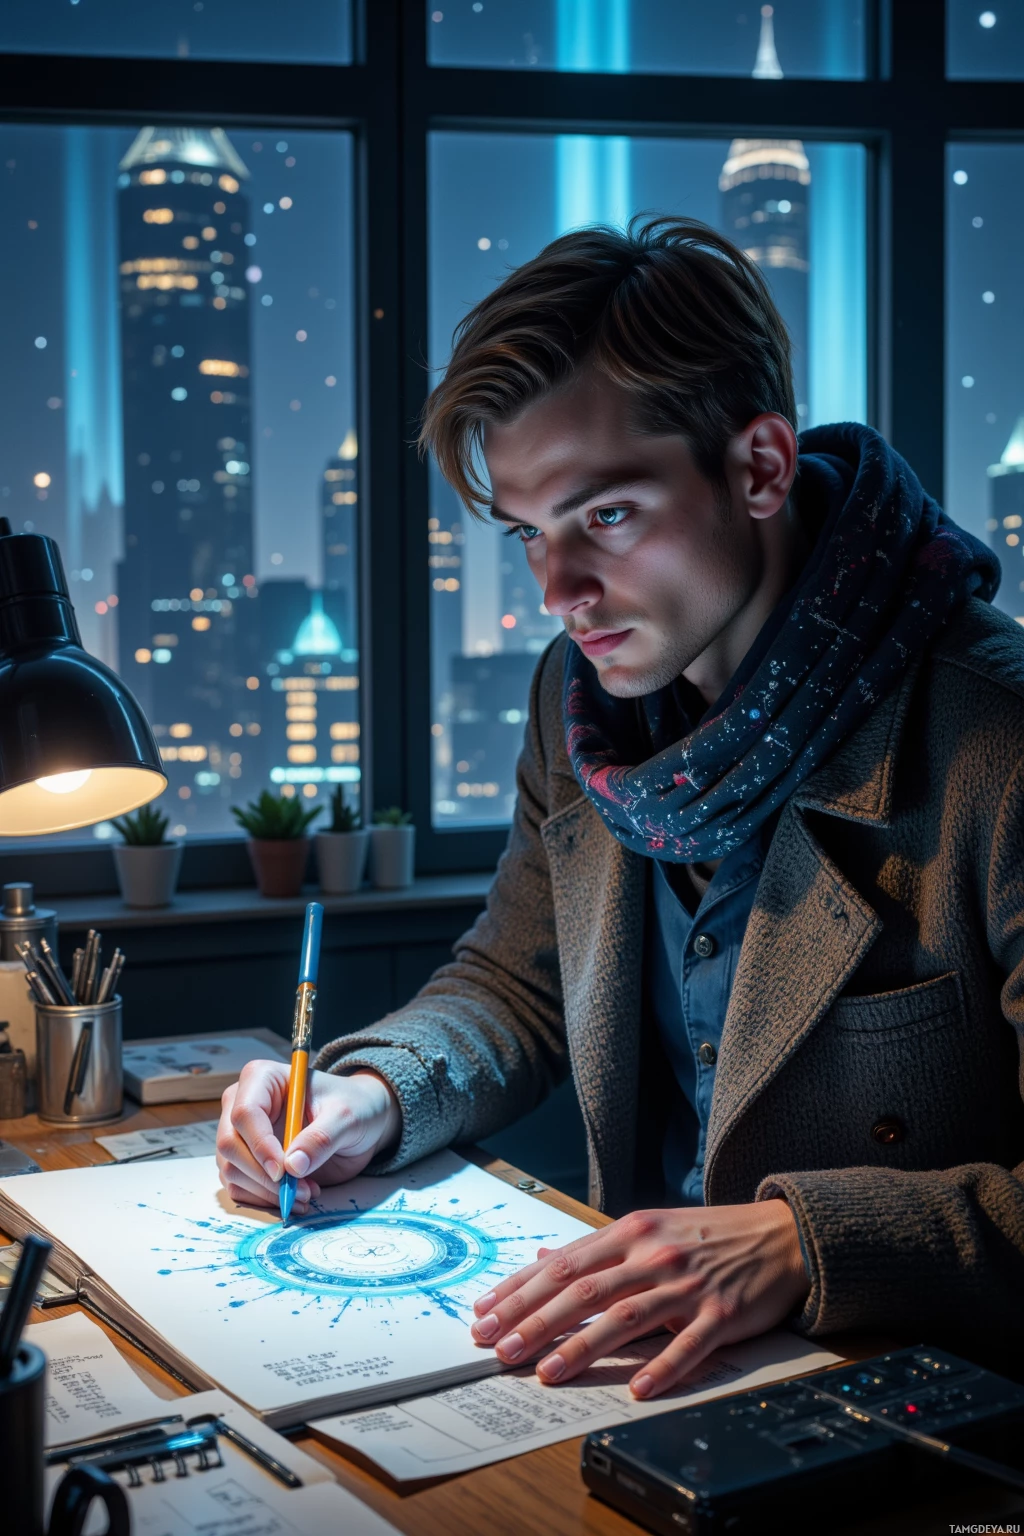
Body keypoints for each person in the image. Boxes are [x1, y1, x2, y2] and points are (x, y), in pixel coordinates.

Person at [217, 217, 1024, 1397]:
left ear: (759, 467)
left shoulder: (997, 739)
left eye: (604, 516)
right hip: (634, 1386)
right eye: (527, 533)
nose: (557, 592)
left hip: (932, 1422)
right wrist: (373, 1092)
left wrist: (803, 1243)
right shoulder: (578, 701)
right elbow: (518, 983)